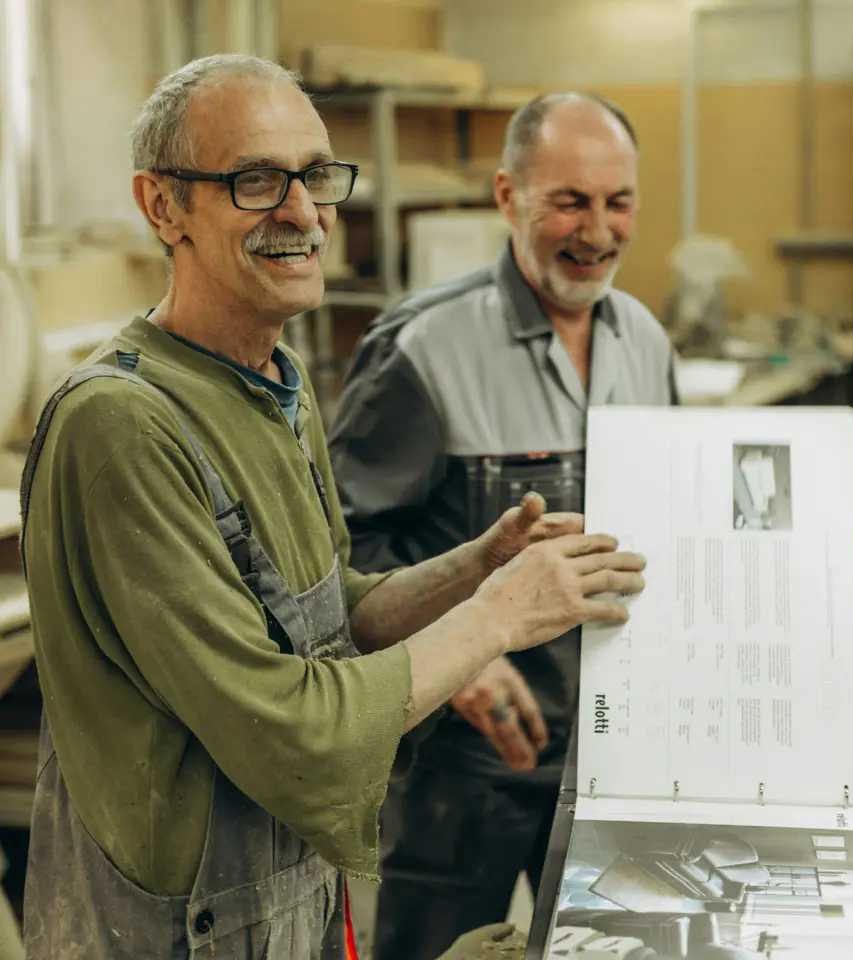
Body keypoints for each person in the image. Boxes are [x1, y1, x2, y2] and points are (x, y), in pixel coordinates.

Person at [17, 58, 648, 960]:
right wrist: (497, 620)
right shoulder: (119, 425)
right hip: (171, 931)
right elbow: (294, 727)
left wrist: (471, 570)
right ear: (162, 207)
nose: (304, 212)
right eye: (256, 181)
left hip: (282, 897)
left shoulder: (277, 380)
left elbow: (328, 616)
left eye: (315, 176)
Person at [328, 91, 678, 960]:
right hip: (464, 764)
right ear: (507, 196)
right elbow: (337, 554)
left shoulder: (646, 340)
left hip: (614, 754)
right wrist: (462, 662)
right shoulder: (422, 348)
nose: (597, 230)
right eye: (569, 200)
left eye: (618, 201)